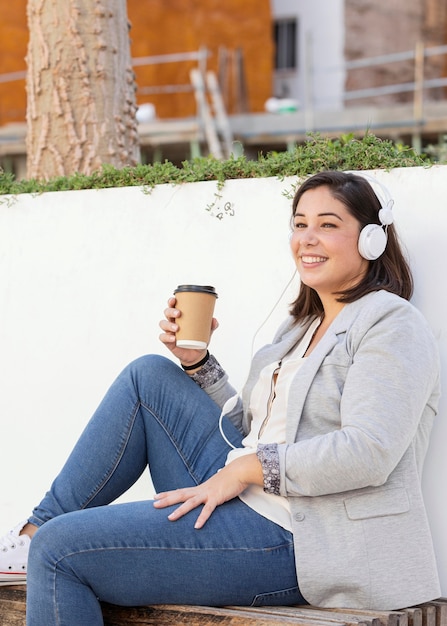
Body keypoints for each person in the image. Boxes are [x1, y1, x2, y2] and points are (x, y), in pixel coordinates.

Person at [0, 171, 440, 624]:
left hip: (303, 540)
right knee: (148, 376)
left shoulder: (391, 324)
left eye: (328, 225)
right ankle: (33, 532)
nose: (307, 239)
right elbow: (250, 434)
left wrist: (250, 468)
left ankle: (42, 541)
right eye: (299, 223)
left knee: (61, 549)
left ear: (371, 239)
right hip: (250, 502)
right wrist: (197, 363)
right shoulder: (298, 330)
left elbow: (369, 451)